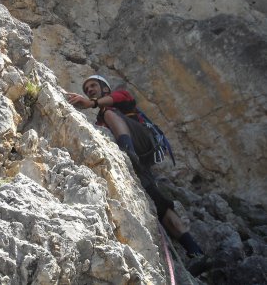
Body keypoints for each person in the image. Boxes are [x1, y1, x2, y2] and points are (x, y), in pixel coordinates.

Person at [68, 75, 208, 275]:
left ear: (105, 88)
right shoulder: (102, 121)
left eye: (93, 85)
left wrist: (91, 103)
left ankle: (127, 151)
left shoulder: (120, 97)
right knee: (160, 204)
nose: (89, 89)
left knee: (108, 112)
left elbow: (114, 100)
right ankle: (195, 251)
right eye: (86, 88)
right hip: (141, 164)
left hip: (142, 141)